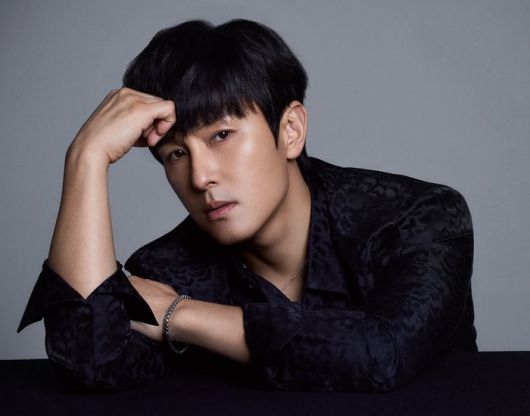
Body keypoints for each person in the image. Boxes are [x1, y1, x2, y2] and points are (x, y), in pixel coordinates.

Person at [17, 18, 477, 393]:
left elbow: (382, 354)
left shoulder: (417, 218)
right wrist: (86, 159)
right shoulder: (165, 269)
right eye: (176, 154)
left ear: (291, 130)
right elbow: (91, 364)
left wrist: (180, 315)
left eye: (221, 135)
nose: (200, 177)